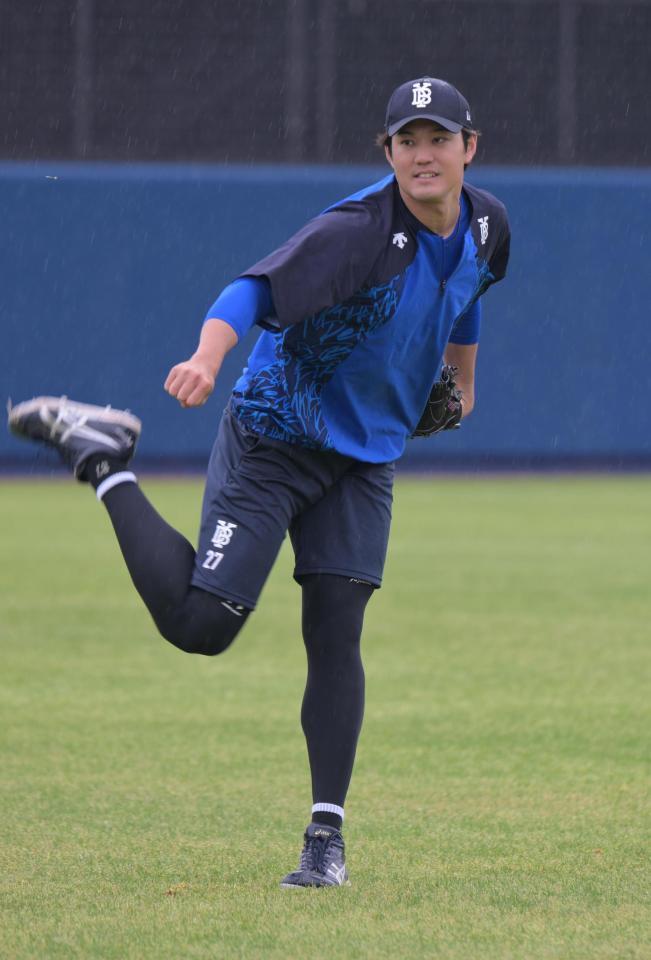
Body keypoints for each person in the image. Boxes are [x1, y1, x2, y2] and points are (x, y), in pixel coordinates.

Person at [9, 76, 510, 888]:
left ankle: (324, 841)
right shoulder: (354, 234)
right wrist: (207, 358)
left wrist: (463, 379)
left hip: (365, 455)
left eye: (438, 138)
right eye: (407, 140)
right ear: (387, 154)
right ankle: (101, 457)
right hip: (275, 436)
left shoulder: (487, 225)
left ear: (468, 148)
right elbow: (251, 290)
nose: (424, 154)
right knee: (201, 624)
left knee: (336, 627)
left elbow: (468, 291)